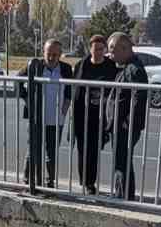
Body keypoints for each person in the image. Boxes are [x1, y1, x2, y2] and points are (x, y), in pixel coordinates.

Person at [22, 39, 73, 189]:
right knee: (33, 149)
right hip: (37, 117)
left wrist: (64, 109)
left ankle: (49, 181)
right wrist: (28, 100)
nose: (51, 58)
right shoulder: (35, 65)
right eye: (49, 54)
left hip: (56, 118)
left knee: (51, 152)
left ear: (60, 55)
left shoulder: (66, 69)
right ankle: (27, 178)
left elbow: (70, 90)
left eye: (55, 55)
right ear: (43, 52)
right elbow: (17, 81)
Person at [107, 33, 150, 200]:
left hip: (126, 127)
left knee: (122, 161)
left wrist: (127, 124)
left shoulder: (134, 70)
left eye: (113, 50)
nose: (110, 55)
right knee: (121, 161)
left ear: (125, 49)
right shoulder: (128, 67)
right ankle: (122, 194)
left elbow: (138, 100)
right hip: (122, 126)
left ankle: (124, 197)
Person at [72, 33, 117, 194]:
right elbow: (74, 89)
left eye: (100, 49)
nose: (97, 52)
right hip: (82, 114)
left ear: (104, 49)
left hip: (101, 116)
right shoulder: (81, 65)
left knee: (94, 149)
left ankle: (90, 181)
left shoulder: (110, 67)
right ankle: (86, 182)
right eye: (95, 49)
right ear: (89, 49)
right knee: (82, 149)